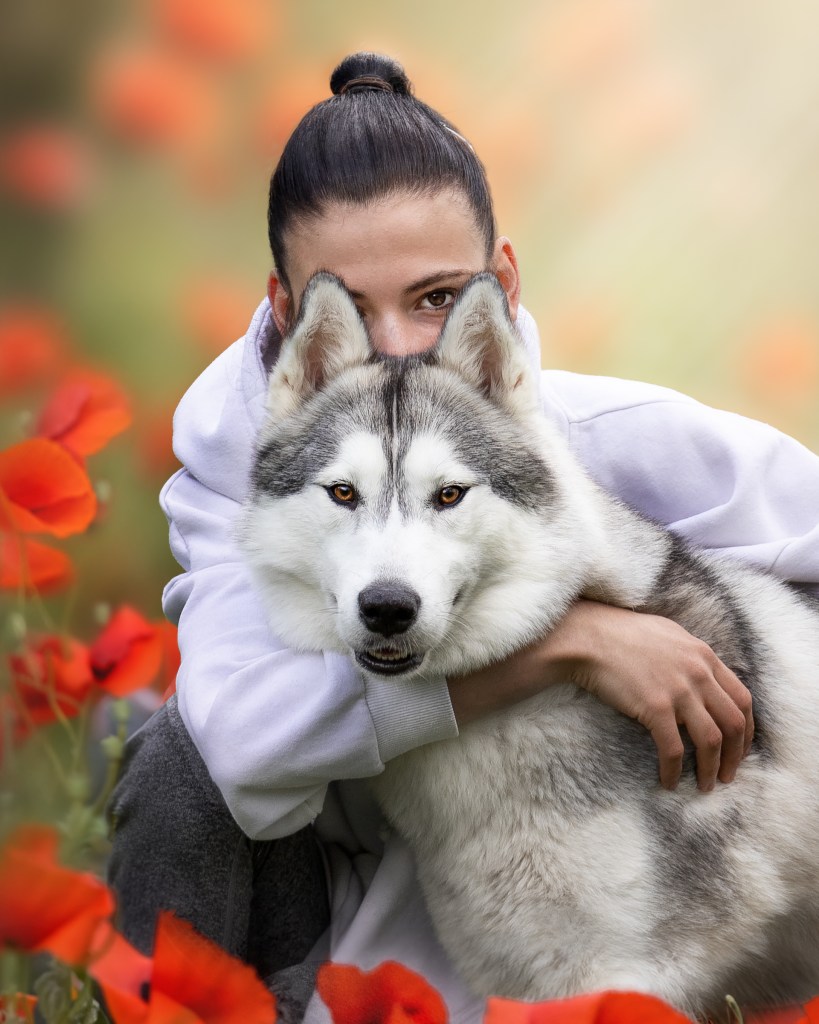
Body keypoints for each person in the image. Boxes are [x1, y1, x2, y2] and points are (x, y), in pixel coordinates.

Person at [107, 52, 819, 1023]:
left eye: (438, 298)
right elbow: (239, 745)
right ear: (290, 317)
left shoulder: (611, 430)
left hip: (562, 879)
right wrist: (577, 643)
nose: (400, 350)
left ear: (503, 286)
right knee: (160, 741)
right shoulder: (236, 471)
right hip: (345, 889)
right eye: (350, 310)